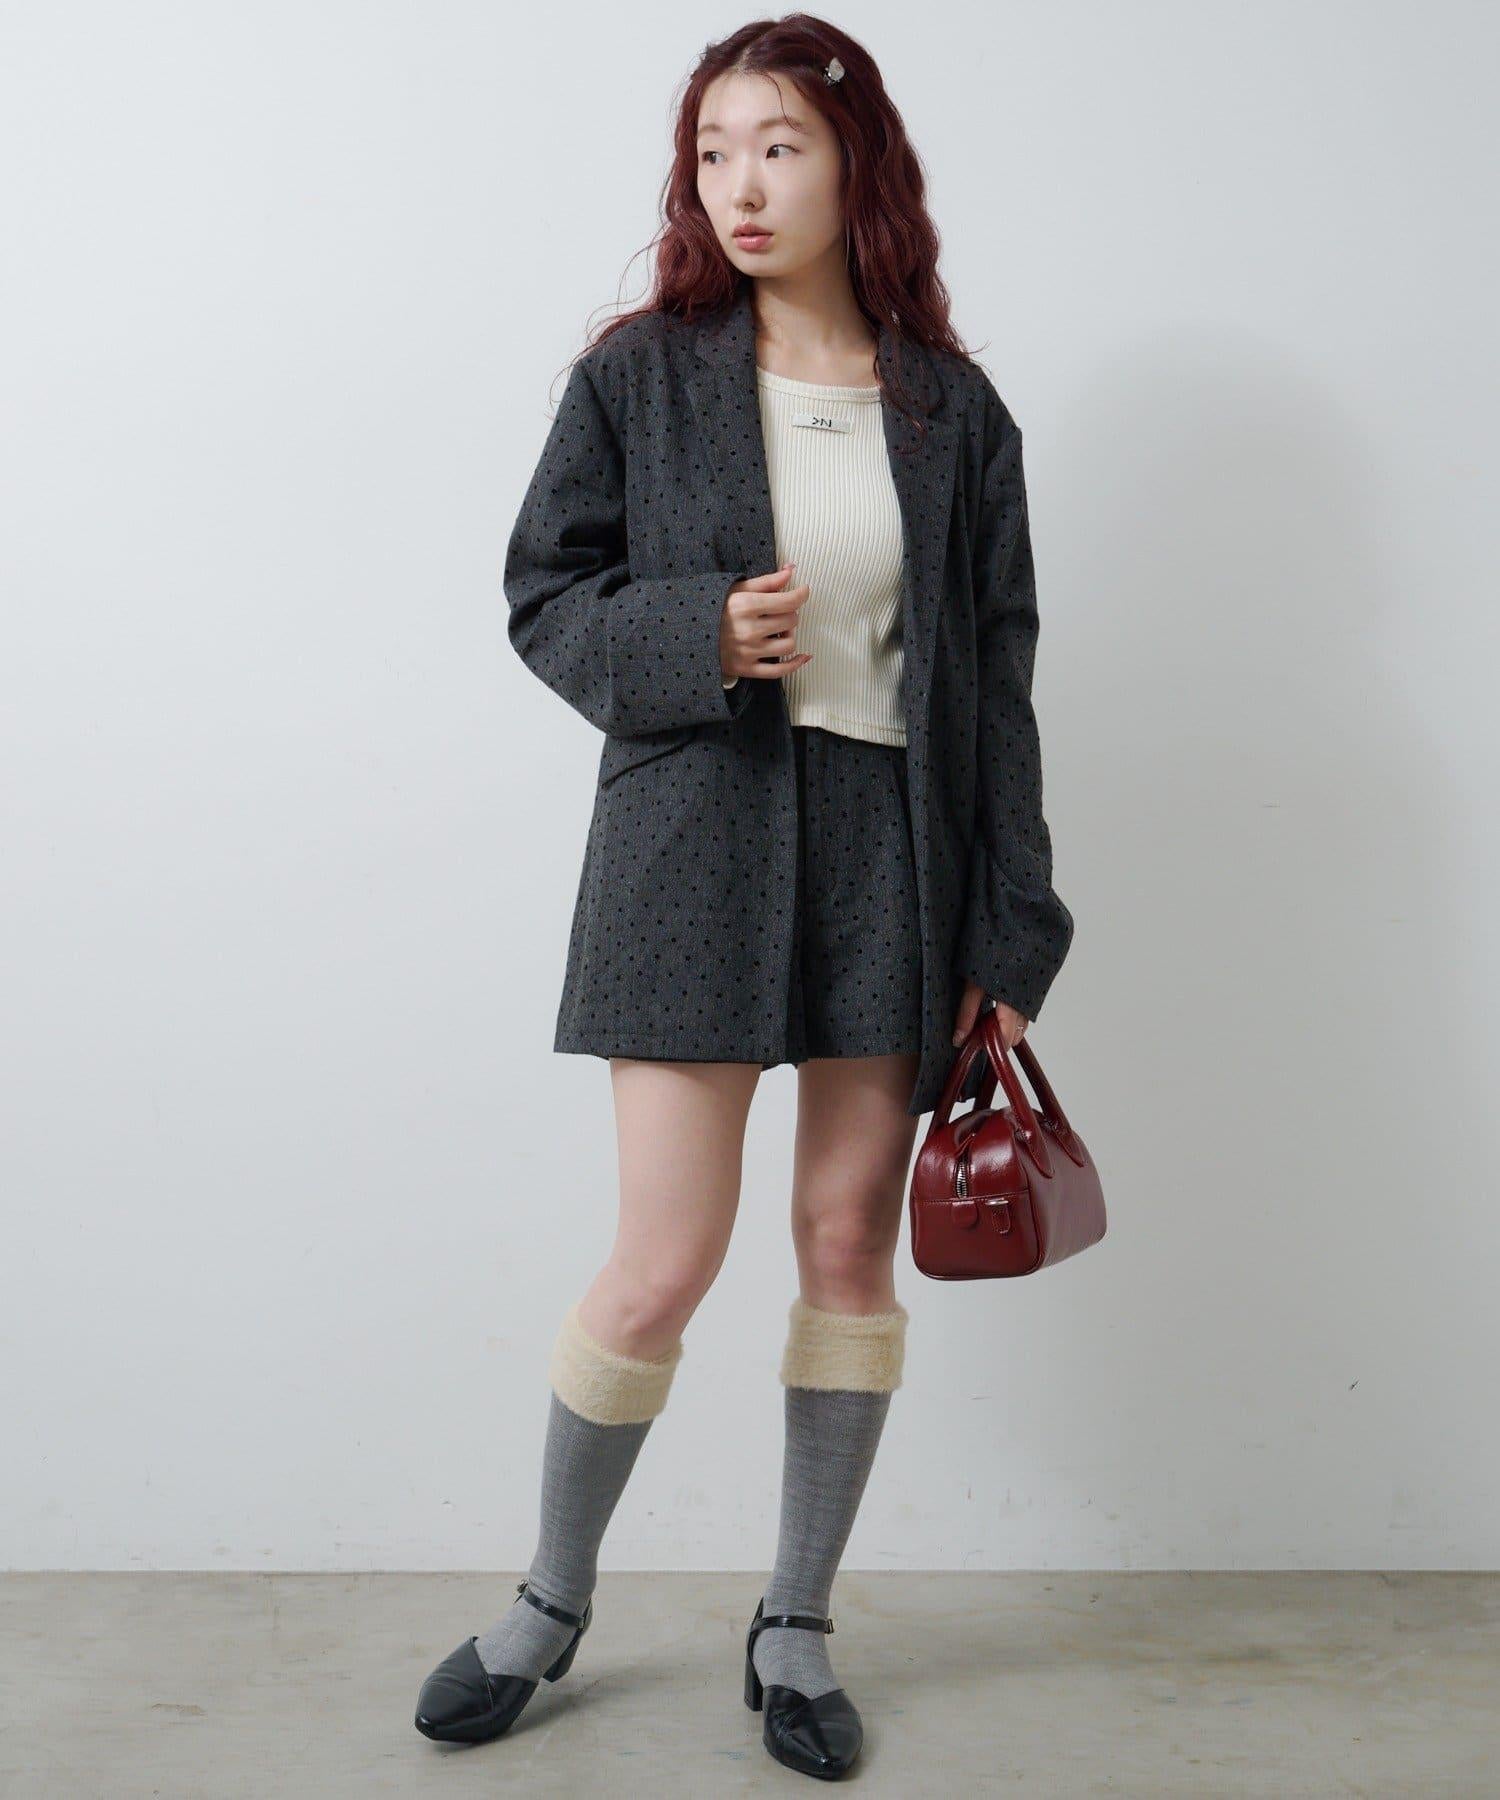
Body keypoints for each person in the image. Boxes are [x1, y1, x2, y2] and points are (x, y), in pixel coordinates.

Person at [414, 14, 1074, 1781]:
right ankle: (550, 1600)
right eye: (713, 150)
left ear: (858, 163)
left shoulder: (955, 414)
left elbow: (998, 686)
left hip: (894, 855)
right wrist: (693, 633)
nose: (739, 184)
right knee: (661, 1263)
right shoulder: (638, 375)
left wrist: (1011, 929)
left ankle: (794, 1623)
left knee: (847, 1245)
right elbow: (544, 594)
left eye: (777, 143)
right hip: (694, 836)